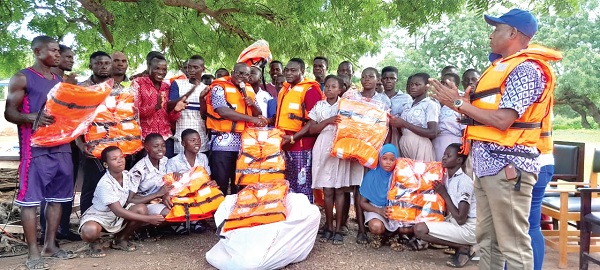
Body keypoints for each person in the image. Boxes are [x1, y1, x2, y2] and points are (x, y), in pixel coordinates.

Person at [429, 9, 560, 269]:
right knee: (487, 241)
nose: (491, 35)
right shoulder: (500, 68)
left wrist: (456, 102)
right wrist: (462, 106)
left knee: (513, 244)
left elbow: (503, 120)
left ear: (512, 33)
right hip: (487, 167)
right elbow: (488, 117)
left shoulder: (526, 70)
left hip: (508, 168)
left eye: (496, 29)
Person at [5, 35, 77, 270]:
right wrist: (31, 117)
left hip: (62, 147)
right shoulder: (22, 77)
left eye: (59, 51)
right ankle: (33, 252)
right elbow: (9, 113)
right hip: (34, 149)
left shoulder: (58, 78)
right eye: (54, 51)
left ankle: (50, 245)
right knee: (30, 202)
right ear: (37, 52)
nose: (58, 54)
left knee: (57, 200)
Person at [79, 146, 164, 258]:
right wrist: (149, 219)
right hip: (101, 216)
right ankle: (95, 242)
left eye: (121, 157)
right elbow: (118, 211)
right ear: (106, 164)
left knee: (141, 209)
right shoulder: (105, 183)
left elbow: (131, 198)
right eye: (114, 159)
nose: (120, 160)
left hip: (118, 214)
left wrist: (153, 198)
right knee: (90, 231)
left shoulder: (127, 176)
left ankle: (120, 239)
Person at [309, 75, 362, 245]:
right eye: (327, 86)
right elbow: (312, 129)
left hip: (341, 145)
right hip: (323, 145)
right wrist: (329, 121)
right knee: (328, 190)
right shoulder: (319, 105)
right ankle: (329, 226)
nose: (329, 89)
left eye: (333, 87)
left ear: (340, 90)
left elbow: (355, 125)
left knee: (340, 189)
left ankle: (339, 228)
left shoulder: (345, 105)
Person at [206, 63, 267, 195]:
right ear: (232, 72)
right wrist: (251, 119)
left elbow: (258, 113)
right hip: (222, 143)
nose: (242, 76)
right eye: (239, 73)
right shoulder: (218, 88)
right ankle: (218, 212)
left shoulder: (248, 90)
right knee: (220, 182)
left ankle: (236, 212)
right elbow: (222, 111)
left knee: (240, 182)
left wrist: (252, 105)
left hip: (244, 144)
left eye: (246, 74)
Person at [40, 44, 80, 244]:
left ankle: (63, 228)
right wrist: (68, 89)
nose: (71, 60)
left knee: (66, 190)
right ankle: (47, 234)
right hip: (49, 144)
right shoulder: (51, 83)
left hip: (69, 144)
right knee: (48, 191)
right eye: (67, 56)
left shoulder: (63, 80)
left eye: (73, 57)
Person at [413, 143, 477, 268]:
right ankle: (460, 246)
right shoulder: (447, 177)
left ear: (459, 160)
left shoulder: (464, 182)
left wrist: (444, 194)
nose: (444, 158)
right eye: (444, 155)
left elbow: (461, 218)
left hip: (468, 228)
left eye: (448, 155)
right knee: (416, 222)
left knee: (419, 229)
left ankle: (463, 247)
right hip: (454, 222)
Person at [275, 58, 322, 202]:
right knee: (288, 183)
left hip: (300, 145)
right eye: (287, 70)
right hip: (283, 143)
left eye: (293, 70)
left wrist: (294, 137)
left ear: (302, 71)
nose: (288, 73)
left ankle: (305, 217)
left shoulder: (310, 90)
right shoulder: (285, 89)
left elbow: (313, 120)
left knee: (302, 184)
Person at [78, 51, 114, 214]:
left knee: (114, 184)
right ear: (90, 66)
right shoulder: (81, 88)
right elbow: (74, 120)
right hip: (91, 146)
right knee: (91, 185)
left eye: (106, 63)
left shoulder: (118, 88)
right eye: (99, 63)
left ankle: (113, 222)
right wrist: (80, 144)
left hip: (116, 145)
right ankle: (86, 220)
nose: (103, 66)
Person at [133, 54, 187, 158]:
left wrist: (176, 111)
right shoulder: (138, 83)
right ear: (149, 67)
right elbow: (135, 114)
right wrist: (155, 107)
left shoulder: (167, 86)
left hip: (165, 139)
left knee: (167, 172)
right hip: (146, 140)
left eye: (164, 69)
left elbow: (170, 117)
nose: (161, 72)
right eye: (157, 68)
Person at [359, 144, 404, 251]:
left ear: (396, 161)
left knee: (407, 228)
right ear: (379, 159)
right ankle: (385, 235)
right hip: (375, 209)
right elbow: (362, 202)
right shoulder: (371, 175)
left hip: (394, 211)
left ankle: (389, 236)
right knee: (376, 226)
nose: (388, 162)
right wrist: (379, 210)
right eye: (384, 159)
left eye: (392, 159)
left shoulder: (400, 176)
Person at [390, 73, 439, 161]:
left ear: (427, 87)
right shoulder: (408, 105)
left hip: (420, 144)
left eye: (417, 84)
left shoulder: (430, 104)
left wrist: (404, 123)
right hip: (404, 142)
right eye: (411, 84)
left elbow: (433, 132)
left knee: (421, 172)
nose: (413, 87)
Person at [168, 55, 210, 156]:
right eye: (189, 67)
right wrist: (186, 96)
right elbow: (169, 107)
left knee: (199, 170)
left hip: (200, 137)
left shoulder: (207, 89)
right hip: (181, 137)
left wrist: (201, 99)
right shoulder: (177, 84)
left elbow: (205, 117)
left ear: (203, 69)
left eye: (195, 67)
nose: (191, 70)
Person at [129, 133, 174, 217]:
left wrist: (166, 195)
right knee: (170, 213)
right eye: (156, 146)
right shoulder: (138, 171)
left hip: (161, 199)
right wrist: (157, 194)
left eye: (163, 145)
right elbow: (130, 200)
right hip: (144, 203)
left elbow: (169, 182)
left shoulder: (165, 161)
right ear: (147, 148)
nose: (160, 149)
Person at [432, 73, 464, 161]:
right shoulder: (433, 99)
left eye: (448, 83)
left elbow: (465, 129)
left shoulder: (461, 100)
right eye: (442, 83)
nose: (443, 86)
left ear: (456, 86)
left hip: (453, 142)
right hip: (434, 142)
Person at [383, 66, 412, 150]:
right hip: (379, 134)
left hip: (399, 134)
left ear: (397, 80)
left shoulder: (406, 98)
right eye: (385, 78)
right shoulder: (376, 97)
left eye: (392, 78)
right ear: (381, 80)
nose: (388, 81)